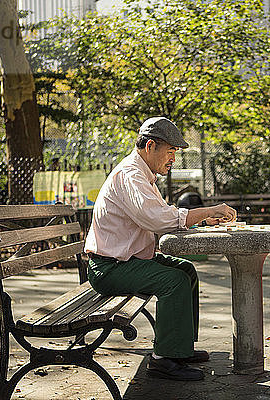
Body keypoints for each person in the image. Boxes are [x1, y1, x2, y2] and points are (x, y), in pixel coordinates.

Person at [84, 116, 237, 381]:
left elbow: (163, 215)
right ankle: (163, 360)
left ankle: (179, 348)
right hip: (109, 269)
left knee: (186, 270)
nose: (173, 159)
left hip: (126, 262)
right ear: (150, 146)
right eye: (170, 152)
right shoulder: (131, 175)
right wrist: (209, 210)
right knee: (173, 281)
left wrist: (203, 219)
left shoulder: (143, 174)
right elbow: (156, 219)